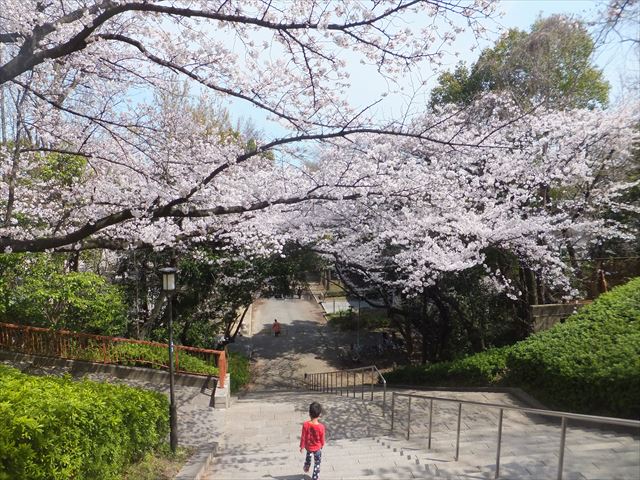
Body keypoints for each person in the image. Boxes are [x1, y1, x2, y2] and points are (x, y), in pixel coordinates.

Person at [300, 402, 325, 480]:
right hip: (317, 448)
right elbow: (322, 438)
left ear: (309, 413)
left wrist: (302, 446)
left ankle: (307, 466)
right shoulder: (321, 427)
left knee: (308, 455)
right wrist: (322, 445)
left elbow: (303, 437)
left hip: (308, 447)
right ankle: (315, 477)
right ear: (319, 414)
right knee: (317, 463)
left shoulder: (305, 425)